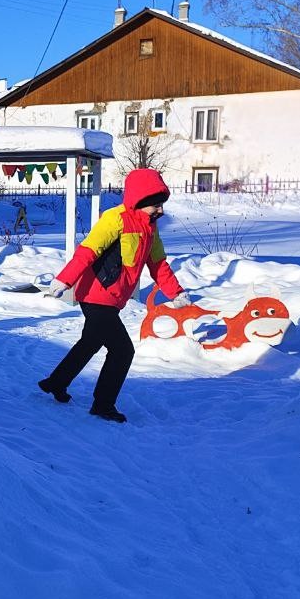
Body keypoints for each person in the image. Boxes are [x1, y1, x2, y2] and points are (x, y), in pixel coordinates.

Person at [38, 167, 190, 422]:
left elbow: (158, 264)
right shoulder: (115, 218)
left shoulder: (151, 228)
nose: (161, 211)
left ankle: (56, 382)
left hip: (114, 298)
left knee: (91, 342)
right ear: (141, 200)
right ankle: (103, 405)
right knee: (122, 351)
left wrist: (176, 293)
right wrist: (64, 280)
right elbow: (87, 251)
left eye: (162, 205)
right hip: (96, 295)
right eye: (156, 205)